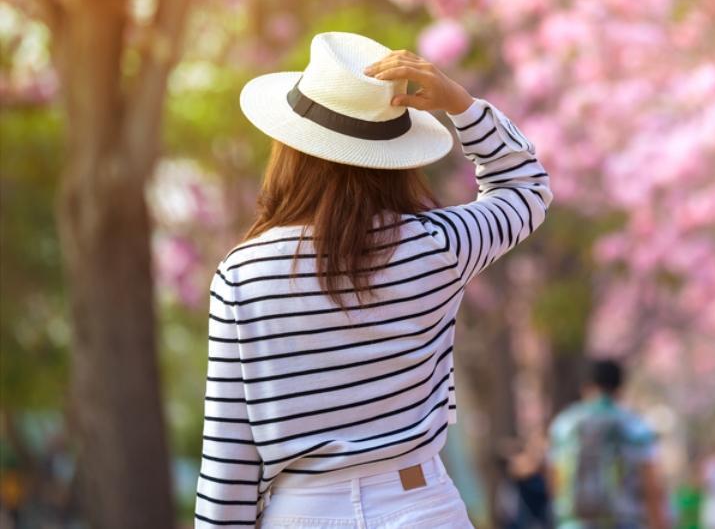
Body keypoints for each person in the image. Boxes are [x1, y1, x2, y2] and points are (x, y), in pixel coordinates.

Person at [193, 32, 552, 528]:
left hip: (302, 512)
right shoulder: (438, 246)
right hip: (421, 506)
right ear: (392, 158)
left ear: (292, 148)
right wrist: (460, 105)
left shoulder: (242, 275)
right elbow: (525, 186)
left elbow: (229, 461)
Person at [547, 358, 667, 529]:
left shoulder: (564, 424)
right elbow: (651, 486)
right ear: (620, 389)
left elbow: (555, 480)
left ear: (585, 387)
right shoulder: (634, 425)